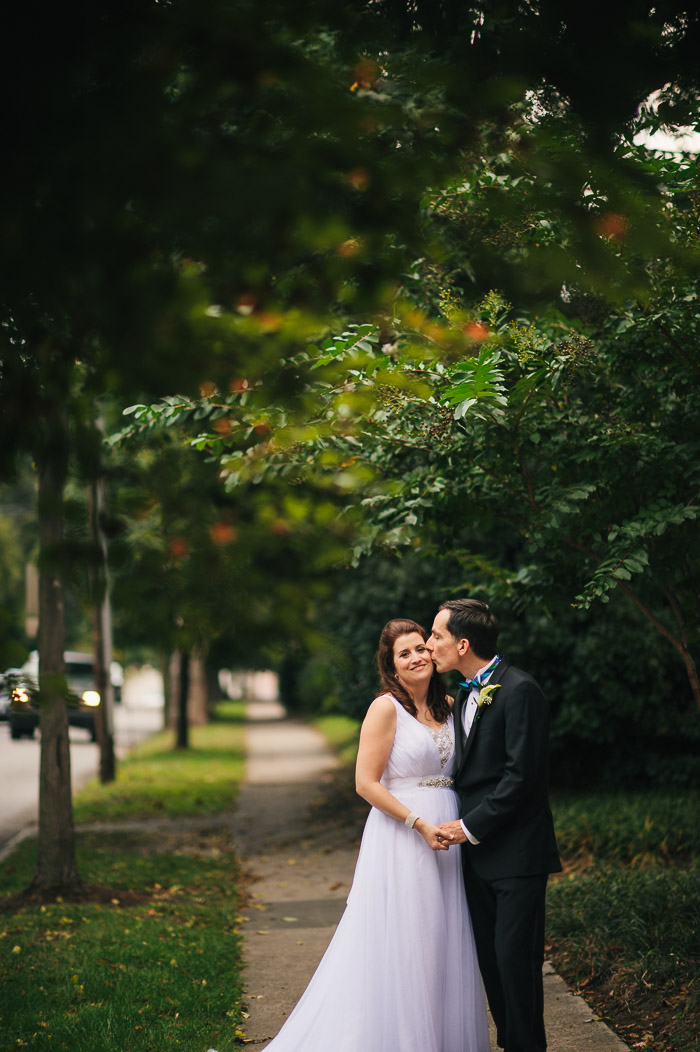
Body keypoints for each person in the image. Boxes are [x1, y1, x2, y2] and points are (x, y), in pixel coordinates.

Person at [259, 618, 490, 1052]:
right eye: (405, 653)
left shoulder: (449, 703)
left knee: (444, 941)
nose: (418, 656)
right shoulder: (386, 708)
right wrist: (418, 824)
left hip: (448, 833)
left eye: (422, 647)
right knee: (409, 942)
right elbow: (365, 783)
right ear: (392, 666)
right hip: (404, 835)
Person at [426, 599, 562, 1052]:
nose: (430, 645)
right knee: (490, 964)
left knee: (515, 965)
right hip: (477, 859)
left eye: (437, 636)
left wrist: (467, 826)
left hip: (518, 854)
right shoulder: (464, 694)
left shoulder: (519, 690)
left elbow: (521, 777)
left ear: (463, 644)